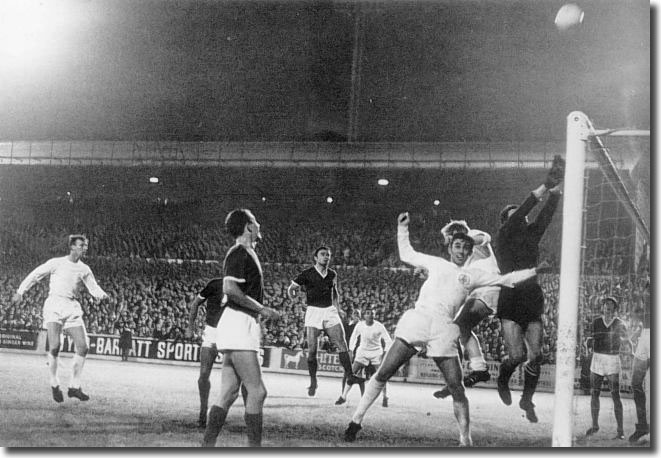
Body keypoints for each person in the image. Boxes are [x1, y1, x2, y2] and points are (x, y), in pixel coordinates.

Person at [343, 213, 552, 446]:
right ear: (450, 248)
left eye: (465, 248)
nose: (461, 251)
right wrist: (402, 228)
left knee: (457, 387)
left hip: (443, 328)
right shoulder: (436, 263)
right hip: (418, 320)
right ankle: (355, 421)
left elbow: (508, 279)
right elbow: (407, 254)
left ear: (470, 251)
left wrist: (535, 271)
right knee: (383, 373)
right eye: (457, 246)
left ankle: (465, 439)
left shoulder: (473, 275)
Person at [202, 209, 279, 448]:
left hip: (237, 323)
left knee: (228, 392)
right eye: (256, 221)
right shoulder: (238, 253)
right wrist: (263, 309)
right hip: (238, 323)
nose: (259, 224)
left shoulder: (247, 253)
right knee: (257, 392)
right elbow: (230, 289)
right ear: (248, 227)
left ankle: (207, 447)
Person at [494, 157, 564, 423]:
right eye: (516, 215)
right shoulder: (504, 235)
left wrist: (555, 193)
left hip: (531, 297)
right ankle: (503, 375)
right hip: (511, 296)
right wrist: (546, 185)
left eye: (522, 216)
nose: (522, 217)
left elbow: (544, 215)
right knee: (517, 355)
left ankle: (527, 399)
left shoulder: (531, 234)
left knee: (536, 356)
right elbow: (528, 206)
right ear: (506, 221)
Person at [12, 234, 109, 403]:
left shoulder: (84, 269)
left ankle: (74, 387)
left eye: (85, 245)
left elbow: (93, 287)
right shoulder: (56, 263)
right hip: (54, 305)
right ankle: (54, 383)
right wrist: (21, 291)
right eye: (81, 245)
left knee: (83, 346)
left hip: (71, 307)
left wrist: (103, 295)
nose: (84, 248)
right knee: (55, 346)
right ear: (72, 247)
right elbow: (35, 274)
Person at [433, 220, 499, 399]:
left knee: (459, 327)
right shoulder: (463, 259)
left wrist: (460, 238)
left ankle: (477, 371)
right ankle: (467, 374)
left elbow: (485, 238)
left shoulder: (474, 234)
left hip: (489, 289)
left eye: (448, 238)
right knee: (460, 329)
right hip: (481, 293)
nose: (448, 243)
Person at [287, 246, 358, 397]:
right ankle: (313, 381)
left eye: (328, 255)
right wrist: (294, 299)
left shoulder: (332, 274)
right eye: (323, 254)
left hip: (329, 310)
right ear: (316, 257)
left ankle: (350, 375)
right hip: (313, 311)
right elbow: (291, 288)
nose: (326, 257)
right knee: (312, 351)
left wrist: (338, 309)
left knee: (342, 343)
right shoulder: (307, 273)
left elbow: (335, 293)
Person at [186, 277, 247, 428]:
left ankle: (249, 415)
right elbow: (195, 303)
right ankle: (202, 412)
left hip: (232, 334)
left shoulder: (243, 286)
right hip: (212, 332)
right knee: (203, 376)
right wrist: (190, 327)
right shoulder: (215, 284)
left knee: (243, 377)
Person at [585, 296, 628, 439]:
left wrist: (623, 342)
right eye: (605, 304)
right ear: (602, 307)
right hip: (597, 358)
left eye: (610, 305)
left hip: (612, 359)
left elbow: (626, 340)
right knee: (594, 393)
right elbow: (590, 339)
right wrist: (588, 344)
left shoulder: (620, 324)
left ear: (615, 308)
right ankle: (595, 425)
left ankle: (620, 431)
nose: (607, 307)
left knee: (616, 395)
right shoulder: (596, 322)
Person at [336, 307, 392, 407]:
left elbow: (388, 341)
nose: (370, 315)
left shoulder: (379, 326)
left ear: (375, 315)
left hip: (376, 353)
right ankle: (343, 396)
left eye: (372, 313)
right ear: (364, 315)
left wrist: (384, 353)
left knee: (382, 375)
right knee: (351, 373)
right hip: (362, 352)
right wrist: (351, 349)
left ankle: (385, 397)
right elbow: (354, 337)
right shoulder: (360, 325)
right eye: (368, 313)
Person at [629, 280, 650, 443]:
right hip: (646, 335)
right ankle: (642, 426)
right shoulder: (646, 287)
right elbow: (637, 314)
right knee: (636, 383)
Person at [339, 308, 363, 398]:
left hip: (358, 351)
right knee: (346, 373)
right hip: (349, 351)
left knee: (360, 374)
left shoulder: (361, 326)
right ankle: (343, 394)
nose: (356, 316)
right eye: (354, 314)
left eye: (357, 314)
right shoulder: (348, 325)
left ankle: (363, 396)